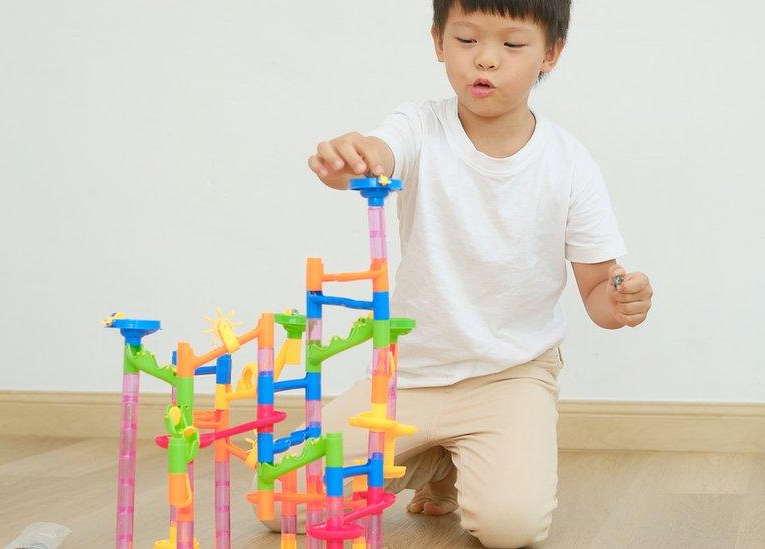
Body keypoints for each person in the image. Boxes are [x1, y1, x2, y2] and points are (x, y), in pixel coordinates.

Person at [278, 1, 654, 546]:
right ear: (438, 42)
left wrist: (619, 304)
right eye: (467, 40)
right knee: (282, 502)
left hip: (510, 377)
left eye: (511, 45)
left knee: (510, 528)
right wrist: (353, 159)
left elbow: (597, 287)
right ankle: (438, 461)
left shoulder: (569, 162)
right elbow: (382, 153)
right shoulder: (419, 126)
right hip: (408, 378)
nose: (486, 61)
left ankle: (462, 457)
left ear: (551, 52)